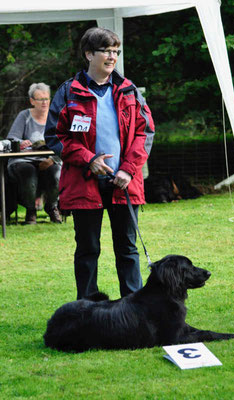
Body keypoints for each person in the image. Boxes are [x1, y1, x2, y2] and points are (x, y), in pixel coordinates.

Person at [45, 27, 155, 299]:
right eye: (106, 50)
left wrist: (129, 170)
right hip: (84, 183)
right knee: (87, 250)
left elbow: (145, 132)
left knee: (128, 249)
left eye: (115, 51)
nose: (112, 56)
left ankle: (133, 311)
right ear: (89, 54)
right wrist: (89, 160)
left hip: (123, 182)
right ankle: (86, 311)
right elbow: (55, 136)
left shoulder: (129, 90)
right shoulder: (68, 92)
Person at [7, 83, 62, 224]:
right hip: (24, 160)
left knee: (57, 173)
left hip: (49, 159)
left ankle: (52, 207)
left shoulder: (55, 117)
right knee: (28, 173)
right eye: (40, 99)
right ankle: (31, 211)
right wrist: (21, 142)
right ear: (32, 101)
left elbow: (64, 142)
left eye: (46, 99)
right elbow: (12, 138)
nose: (44, 103)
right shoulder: (24, 116)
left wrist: (52, 159)